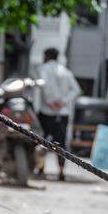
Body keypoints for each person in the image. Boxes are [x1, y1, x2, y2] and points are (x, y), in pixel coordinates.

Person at [34, 47, 81, 181]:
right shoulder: (65, 72)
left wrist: (50, 101)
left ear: (47, 56)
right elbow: (76, 90)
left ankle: (40, 168)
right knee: (60, 143)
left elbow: (44, 85)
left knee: (40, 140)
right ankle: (61, 172)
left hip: (46, 112)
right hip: (62, 113)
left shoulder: (43, 69)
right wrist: (63, 102)